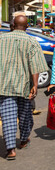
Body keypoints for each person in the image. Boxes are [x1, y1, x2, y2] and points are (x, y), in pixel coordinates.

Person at [0, 15, 49, 160]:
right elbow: (35, 66)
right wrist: (35, 85)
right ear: (27, 27)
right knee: (25, 115)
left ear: (12, 25)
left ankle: (11, 150)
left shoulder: (1, 39)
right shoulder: (31, 41)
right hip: (24, 86)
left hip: (4, 86)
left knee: (8, 117)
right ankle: (23, 140)